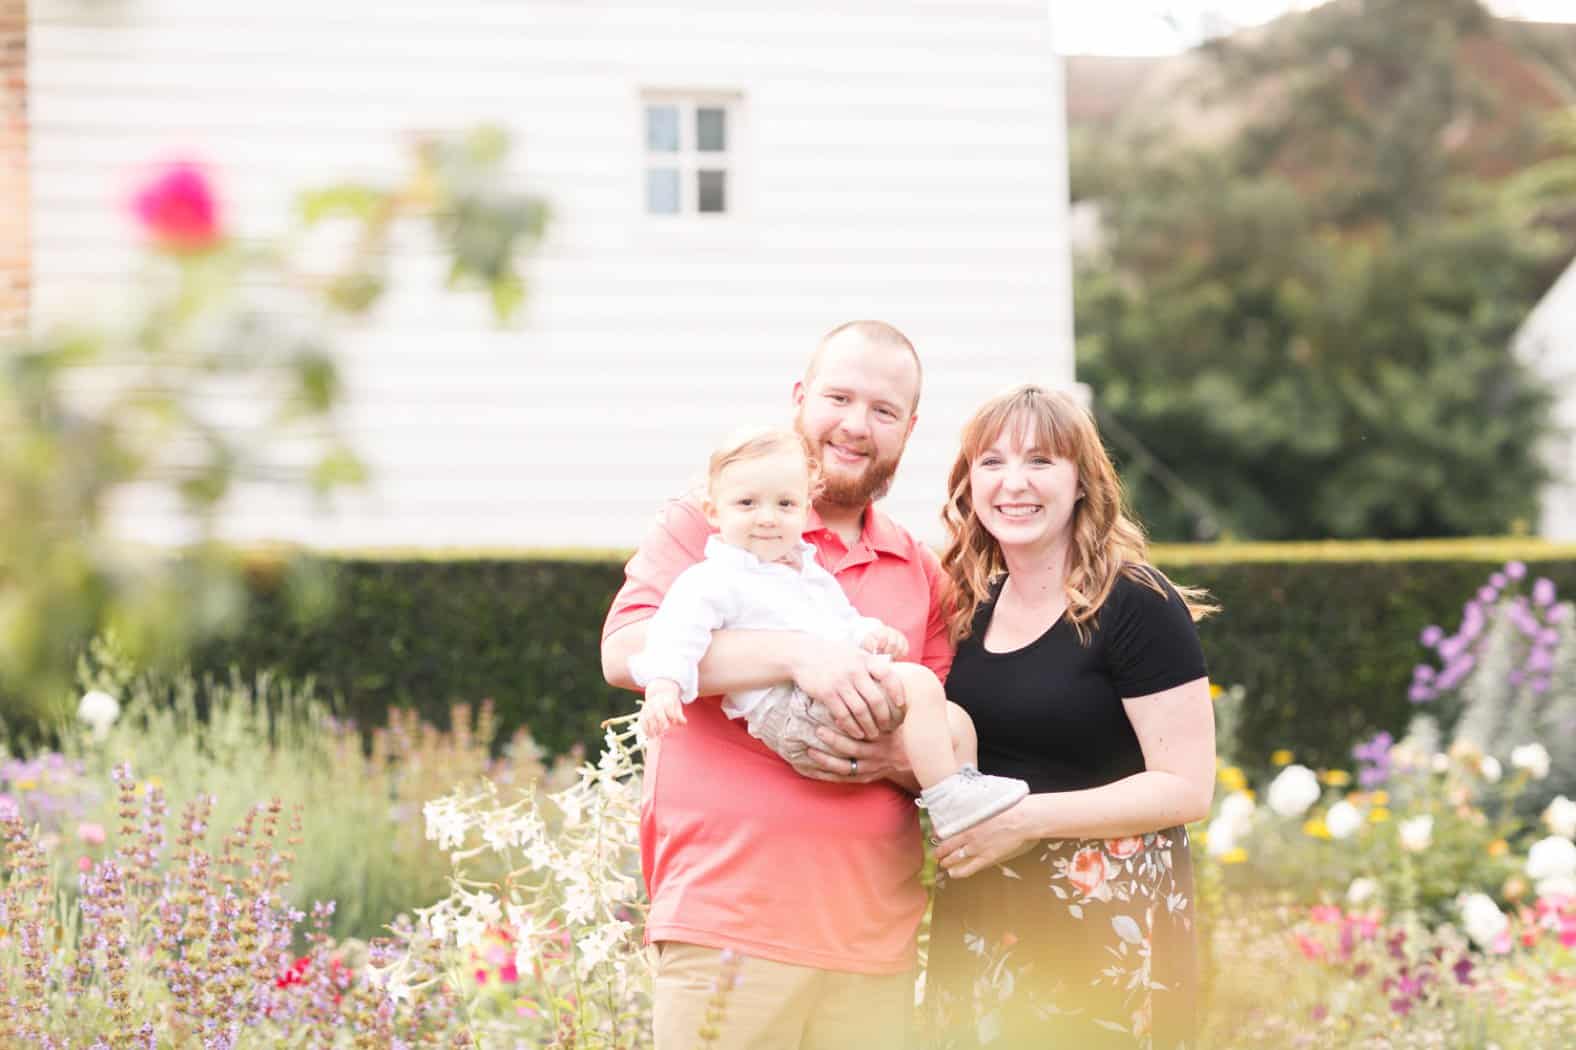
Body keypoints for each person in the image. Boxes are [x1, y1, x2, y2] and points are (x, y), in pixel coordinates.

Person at [600, 321, 951, 1050]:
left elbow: (944, 735)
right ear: (801, 398)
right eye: (839, 397)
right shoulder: (715, 522)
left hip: (870, 946)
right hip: (726, 924)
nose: (856, 425)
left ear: (909, 430)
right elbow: (627, 652)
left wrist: (888, 760)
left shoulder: (919, 570)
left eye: (883, 411)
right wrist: (796, 653)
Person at [914, 384, 1217, 1049]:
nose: (1013, 483)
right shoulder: (969, 607)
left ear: (1082, 481)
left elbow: (1187, 787)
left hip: (1103, 931)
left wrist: (1020, 822)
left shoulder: (1135, 602)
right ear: (969, 485)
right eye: (991, 463)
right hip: (985, 922)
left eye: (1040, 461)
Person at [629, 425, 1028, 840]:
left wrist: (871, 634)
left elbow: (838, 623)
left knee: (955, 722)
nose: (767, 517)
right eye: (747, 503)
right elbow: (677, 630)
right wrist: (664, 683)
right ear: (714, 512)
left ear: (804, 511)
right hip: (789, 711)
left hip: (820, 702)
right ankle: (949, 800)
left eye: (784, 504)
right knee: (921, 686)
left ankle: (964, 807)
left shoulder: (803, 570)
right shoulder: (716, 578)